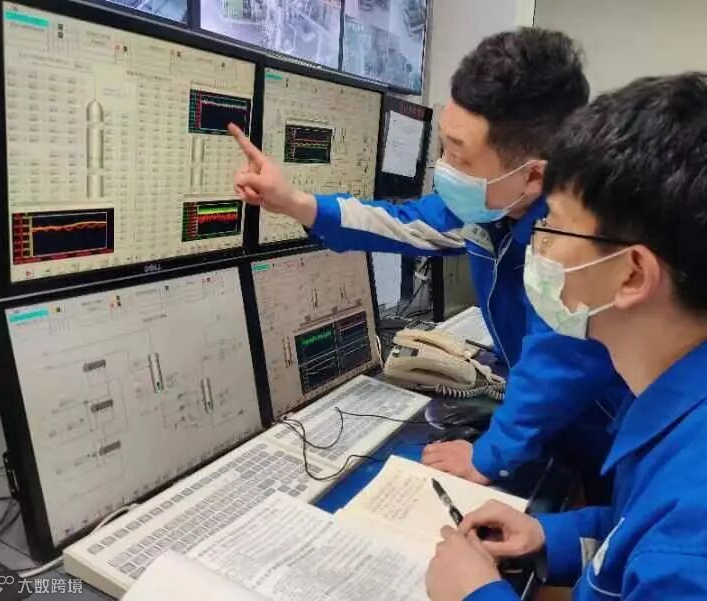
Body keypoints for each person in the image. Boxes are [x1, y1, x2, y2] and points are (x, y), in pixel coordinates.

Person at [425, 72, 707, 600]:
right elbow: (638, 528)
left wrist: (474, 594)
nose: (537, 245)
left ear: (632, 274)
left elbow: (673, 551)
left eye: (553, 224)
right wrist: (550, 535)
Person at [228, 29, 627, 491]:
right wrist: (296, 202)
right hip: (554, 431)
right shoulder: (494, 208)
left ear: (534, 175)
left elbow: (559, 366)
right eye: (443, 146)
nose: (445, 168)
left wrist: (487, 457)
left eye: (459, 155)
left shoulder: (576, 240)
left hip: (608, 442)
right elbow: (404, 223)